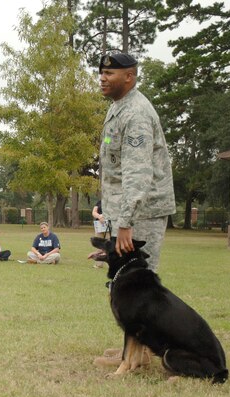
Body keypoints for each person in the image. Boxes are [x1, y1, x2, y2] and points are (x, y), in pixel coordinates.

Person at [94, 52, 176, 367]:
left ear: (130, 76)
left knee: (140, 282)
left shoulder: (137, 113)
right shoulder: (118, 109)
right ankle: (132, 347)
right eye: (101, 72)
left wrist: (125, 222)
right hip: (123, 210)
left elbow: (137, 174)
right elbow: (115, 170)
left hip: (142, 212)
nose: (102, 77)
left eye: (110, 73)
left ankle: (139, 354)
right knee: (123, 280)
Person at [91, 200, 107, 269]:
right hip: (99, 226)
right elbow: (94, 212)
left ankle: (112, 264)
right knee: (99, 245)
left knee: (109, 245)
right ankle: (98, 264)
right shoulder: (100, 201)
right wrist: (99, 217)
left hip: (109, 225)